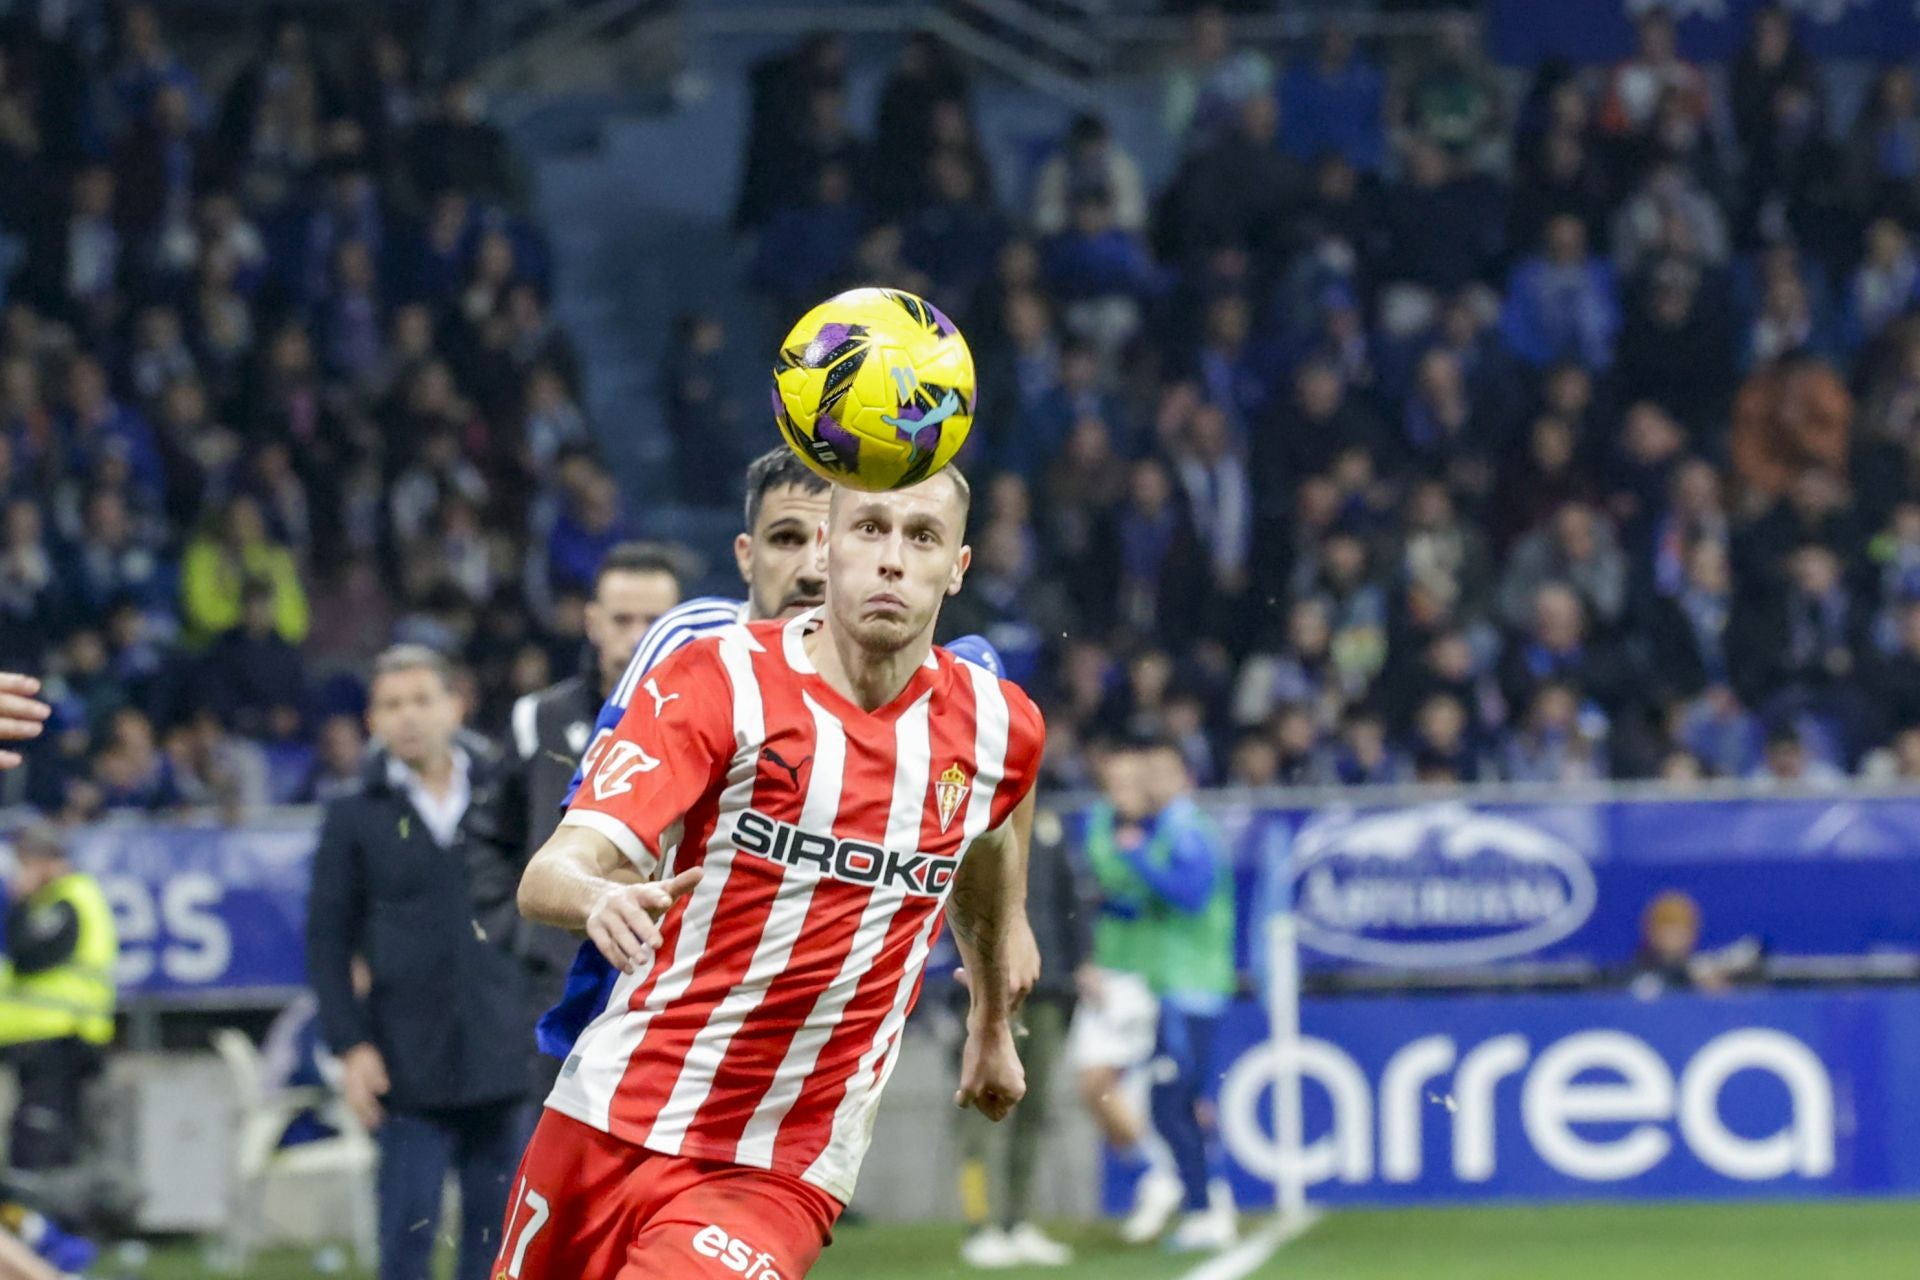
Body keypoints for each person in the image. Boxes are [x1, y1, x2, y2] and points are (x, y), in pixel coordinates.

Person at [501, 467, 1045, 1279]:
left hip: (778, 1166)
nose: (893, 559)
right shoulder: (715, 676)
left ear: (958, 567)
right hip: (607, 1114)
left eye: (922, 536)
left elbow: (991, 843)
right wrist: (598, 894)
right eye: (871, 529)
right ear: (830, 547)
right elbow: (552, 872)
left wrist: (991, 1020)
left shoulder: (999, 724)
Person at [305, 645, 528, 1280]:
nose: (409, 718)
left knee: (500, 1253)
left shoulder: (503, 795)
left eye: (422, 700)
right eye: (391, 705)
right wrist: (350, 1047)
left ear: (455, 704)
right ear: (372, 721)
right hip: (404, 1067)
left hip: (502, 1054)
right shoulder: (353, 815)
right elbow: (327, 941)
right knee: (405, 1248)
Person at [500, 543, 683, 1098]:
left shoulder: (721, 722)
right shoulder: (539, 719)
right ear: (592, 622)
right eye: (623, 619)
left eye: (656, 622)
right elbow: (492, 834)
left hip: (667, 981)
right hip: (560, 978)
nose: (638, 636)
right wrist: (519, 935)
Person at [1102, 737, 1238, 1253]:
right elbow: (1163, 905)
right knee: (1178, 1101)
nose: (1151, 783)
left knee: (1170, 1103)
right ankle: (1209, 1198)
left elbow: (1191, 893)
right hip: (1176, 985)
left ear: (1184, 777)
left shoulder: (1186, 829)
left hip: (1191, 986)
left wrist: (1137, 862)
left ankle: (1204, 1208)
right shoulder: (1171, 829)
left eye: (1161, 772)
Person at [953, 802, 1085, 1270]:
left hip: (1046, 988)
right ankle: (978, 1224)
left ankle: (1018, 1221)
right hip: (982, 988)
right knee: (978, 1116)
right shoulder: (970, 816)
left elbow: (1071, 901)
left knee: (1034, 1110)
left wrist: (1076, 967)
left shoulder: (1048, 826)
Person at [1068, 744, 1182, 1246]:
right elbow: (1087, 894)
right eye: (1113, 784)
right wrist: (1084, 959)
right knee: (1098, 1087)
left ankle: (1161, 1176)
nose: (1121, 794)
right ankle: (1160, 1173)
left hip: (1142, 975)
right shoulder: (1096, 824)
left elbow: (1157, 897)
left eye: (1131, 784)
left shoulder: (1161, 833)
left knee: (1102, 1081)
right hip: (1102, 973)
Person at [0, 823, 118, 1172]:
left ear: (47, 862)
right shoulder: (55, 900)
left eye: (26, 864)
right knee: (50, 1136)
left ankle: (38, 1221)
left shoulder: (70, 899)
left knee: (41, 1141)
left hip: (61, 1038)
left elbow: (27, 955)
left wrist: (20, 902)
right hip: (43, 1041)